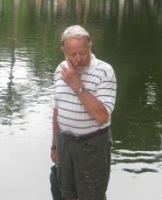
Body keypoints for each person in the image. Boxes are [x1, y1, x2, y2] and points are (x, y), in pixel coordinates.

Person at [51, 25, 117, 200]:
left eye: (83, 53)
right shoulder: (60, 70)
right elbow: (57, 111)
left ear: (90, 47)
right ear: (63, 51)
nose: (79, 59)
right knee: (67, 194)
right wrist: (55, 145)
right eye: (73, 54)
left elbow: (102, 116)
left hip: (93, 145)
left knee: (92, 196)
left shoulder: (104, 71)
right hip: (65, 143)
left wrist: (77, 85)